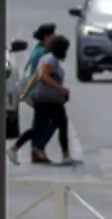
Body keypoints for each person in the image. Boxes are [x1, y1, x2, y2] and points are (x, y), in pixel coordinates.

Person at [9, 35, 77, 165]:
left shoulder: (47, 59)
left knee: (45, 127)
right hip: (48, 100)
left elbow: (35, 77)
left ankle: (16, 149)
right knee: (57, 124)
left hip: (47, 100)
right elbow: (43, 77)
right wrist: (61, 89)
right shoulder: (50, 59)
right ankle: (65, 154)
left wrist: (26, 93)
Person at [8, 24, 56, 160]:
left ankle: (36, 151)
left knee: (41, 124)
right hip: (41, 94)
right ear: (47, 36)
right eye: (53, 35)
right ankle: (20, 148)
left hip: (39, 93)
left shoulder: (39, 50)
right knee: (51, 122)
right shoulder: (42, 53)